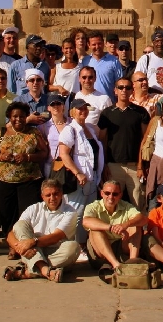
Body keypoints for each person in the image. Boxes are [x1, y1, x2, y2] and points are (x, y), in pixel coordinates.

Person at [0, 101, 49, 257]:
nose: (18, 119)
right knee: (7, 214)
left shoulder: (34, 133)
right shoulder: (1, 133)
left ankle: (25, 244)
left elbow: (44, 153)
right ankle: (13, 246)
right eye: (15, 116)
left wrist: (28, 156)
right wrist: (2, 156)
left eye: (22, 116)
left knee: (25, 214)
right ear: (9, 117)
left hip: (28, 180)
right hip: (3, 180)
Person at [4, 178, 80, 282]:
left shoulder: (70, 212)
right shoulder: (33, 208)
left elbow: (56, 237)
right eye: (48, 195)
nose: (52, 198)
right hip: (33, 250)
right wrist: (19, 248)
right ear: (42, 196)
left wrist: (32, 242)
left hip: (53, 251)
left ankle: (28, 270)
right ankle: (46, 271)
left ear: (61, 193)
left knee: (74, 247)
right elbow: (11, 235)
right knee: (20, 225)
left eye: (55, 194)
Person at [57, 98, 105, 246]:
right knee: (75, 214)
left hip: (92, 178)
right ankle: (71, 245)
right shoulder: (69, 129)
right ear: (72, 112)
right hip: (78, 180)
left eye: (85, 108)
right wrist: (77, 173)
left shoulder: (90, 129)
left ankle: (83, 245)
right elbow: (64, 154)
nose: (83, 111)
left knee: (87, 215)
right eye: (79, 108)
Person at [99, 77, 150, 210]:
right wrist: (103, 164)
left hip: (135, 167)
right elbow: (102, 140)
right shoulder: (107, 113)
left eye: (127, 87)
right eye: (121, 87)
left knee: (138, 204)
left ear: (132, 90)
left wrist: (141, 165)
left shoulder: (141, 112)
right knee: (111, 203)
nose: (124, 90)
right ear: (115, 91)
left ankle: (139, 231)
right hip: (113, 166)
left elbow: (145, 140)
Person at [83, 179, 148, 276]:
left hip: (120, 249)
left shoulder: (126, 206)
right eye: (107, 193)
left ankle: (132, 262)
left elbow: (143, 219)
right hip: (100, 255)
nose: (111, 197)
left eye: (115, 194)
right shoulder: (93, 206)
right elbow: (86, 221)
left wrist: (125, 225)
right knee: (95, 230)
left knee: (136, 226)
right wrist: (110, 227)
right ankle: (116, 265)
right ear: (102, 193)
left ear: (120, 195)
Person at [81, 30, 124, 100]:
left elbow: (120, 83)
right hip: (89, 104)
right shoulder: (85, 61)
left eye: (99, 43)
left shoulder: (114, 61)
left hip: (109, 104)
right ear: (89, 45)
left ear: (103, 43)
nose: (97, 47)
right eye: (94, 44)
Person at [134, 29, 163, 94]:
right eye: (157, 41)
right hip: (149, 99)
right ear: (153, 43)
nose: (160, 44)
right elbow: (137, 80)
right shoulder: (145, 59)